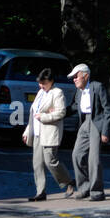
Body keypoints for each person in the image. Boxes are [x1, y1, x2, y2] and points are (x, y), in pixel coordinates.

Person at [22, 67, 74, 202]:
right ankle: (40, 192)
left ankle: (68, 182)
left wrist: (44, 116)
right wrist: (28, 131)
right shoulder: (40, 93)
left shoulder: (57, 93)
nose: (41, 85)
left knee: (51, 161)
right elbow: (34, 114)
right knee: (37, 164)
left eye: (44, 83)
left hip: (50, 132)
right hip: (38, 132)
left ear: (51, 81)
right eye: (40, 83)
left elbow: (61, 112)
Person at [68, 63, 110, 201]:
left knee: (94, 159)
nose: (74, 79)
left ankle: (97, 192)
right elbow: (74, 107)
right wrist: (59, 113)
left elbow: (108, 110)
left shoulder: (97, 87)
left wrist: (105, 132)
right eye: (73, 77)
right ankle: (84, 188)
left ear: (86, 75)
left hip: (96, 123)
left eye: (76, 76)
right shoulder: (79, 92)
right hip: (84, 124)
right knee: (77, 155)